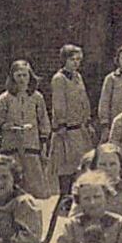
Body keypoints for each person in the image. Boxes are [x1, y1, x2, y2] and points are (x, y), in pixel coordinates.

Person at [0, 60, 54, 200]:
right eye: (18, 76)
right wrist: (4, 126)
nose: (22, 79)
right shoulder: (5, 98)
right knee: (14, 181)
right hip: (11, 145)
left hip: (31, 145)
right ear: (13, 77)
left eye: (25, 75)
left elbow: (44, 121)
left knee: (35, 183)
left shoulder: (37, 97)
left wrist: (43, 143)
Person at [49, 45, 94, 192]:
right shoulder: (59, 79)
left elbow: (84, 100)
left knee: (81, 164)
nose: (75, 63)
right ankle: (65, 197)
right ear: (64, 60)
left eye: (78, 60)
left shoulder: (77, 77)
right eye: (72, 59)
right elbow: (59, 103)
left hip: (79, 128)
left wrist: (87, 120)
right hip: (67, 130)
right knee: (66, 166)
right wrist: (61, 124)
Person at [80, 143, 122, 233]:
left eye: (112, 164)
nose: (108, 169)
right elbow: (74, 223)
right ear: (95, 167)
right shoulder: (84, 190)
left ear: (120, 166)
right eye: (103, 164)